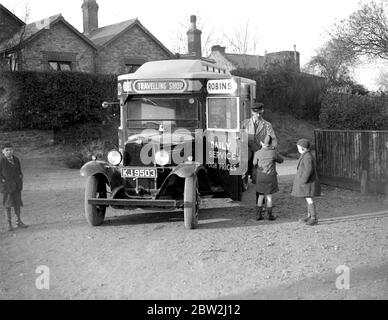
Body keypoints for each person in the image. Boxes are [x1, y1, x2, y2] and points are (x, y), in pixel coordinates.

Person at [241, 102, 278, 184]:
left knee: (257, 177)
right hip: (247, 149)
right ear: (252, 112)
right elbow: (237, 133)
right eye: (256, 113)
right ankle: (243, 180)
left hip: (260, 149)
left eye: (260, 113)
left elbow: (273, 138)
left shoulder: (267, 125)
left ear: (262, 112)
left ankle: (257, 183)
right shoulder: (244, 123)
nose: (258, 115)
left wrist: (271, 148)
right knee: (242, 164)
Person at [252, 135, 284, 221]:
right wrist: (274, 150)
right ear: (271, 143)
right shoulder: (273, 152)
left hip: (261, 177)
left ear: (261, 143)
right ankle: (270, 215)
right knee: (269, 197)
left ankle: (258, 215)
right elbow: (281, 160)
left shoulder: (257, 153)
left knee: (260, 196)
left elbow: (254, 163)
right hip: (270, 178)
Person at [291, 138, 321, 226]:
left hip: (308, 183)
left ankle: (313, 218)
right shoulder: (306, 155)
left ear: (303, 148)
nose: (297, 149)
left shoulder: (307, 156)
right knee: (307, 199)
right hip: (307, 182)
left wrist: (303, 180)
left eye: (298, 147)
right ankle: (309, 216)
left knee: (309, 199)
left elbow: (309, 170)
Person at [0, 143, 28, 231]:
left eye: (10, 149)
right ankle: (9, 224)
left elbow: (19, 171)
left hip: (16, 185)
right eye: (6, 150)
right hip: (7, 187)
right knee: (7, 205)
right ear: (2, 152)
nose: (9, 152)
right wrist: (2, 180)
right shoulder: (1, 161)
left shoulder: (16, 159)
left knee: (17, 204)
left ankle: (18, 221)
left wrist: (20, 177)